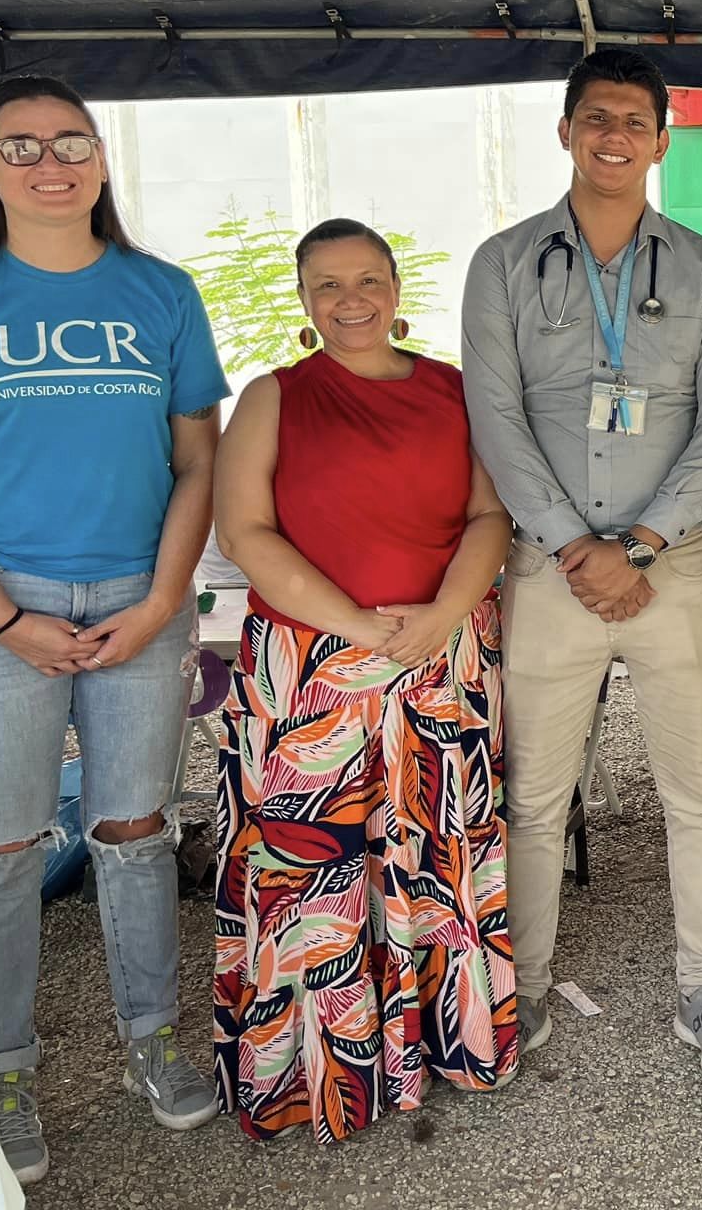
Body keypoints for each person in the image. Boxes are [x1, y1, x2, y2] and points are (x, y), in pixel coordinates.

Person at [0, 74, 228, 1183]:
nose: (48, 161)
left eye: (70, 141)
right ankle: (5, 1069)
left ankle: (151, 1041)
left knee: (135, 833)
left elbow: (198, 460)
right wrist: (5, 618)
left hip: (140, 598)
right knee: (1, 848)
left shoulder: (161, 291)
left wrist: (165, 600)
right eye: (18, 146)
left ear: (103, 160)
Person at [461, 48, 702, 1082]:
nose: (613, 136)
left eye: (634, 120)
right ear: (565, 131)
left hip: (667, 566)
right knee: (534, 797)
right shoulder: (502, 262)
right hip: (549, 568)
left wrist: (636, 543)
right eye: (595, 117)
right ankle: (523, 990)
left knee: (699, 790)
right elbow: (493, 418)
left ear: (661, 140)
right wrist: (573, 546)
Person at [210, 218, 516, 1141]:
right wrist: (356, 629)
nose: (351, 301)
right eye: (328, 286)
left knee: (439, 854)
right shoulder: (272, 397)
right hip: (308, 667)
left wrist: (432, 622)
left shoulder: (455, 393)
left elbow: (488, 515)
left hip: (442, 655)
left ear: (395, 289)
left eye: (368, 281)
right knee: (310, 871)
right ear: (304, 299)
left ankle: (443, 1050)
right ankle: (313, 1075)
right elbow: (245, 533)